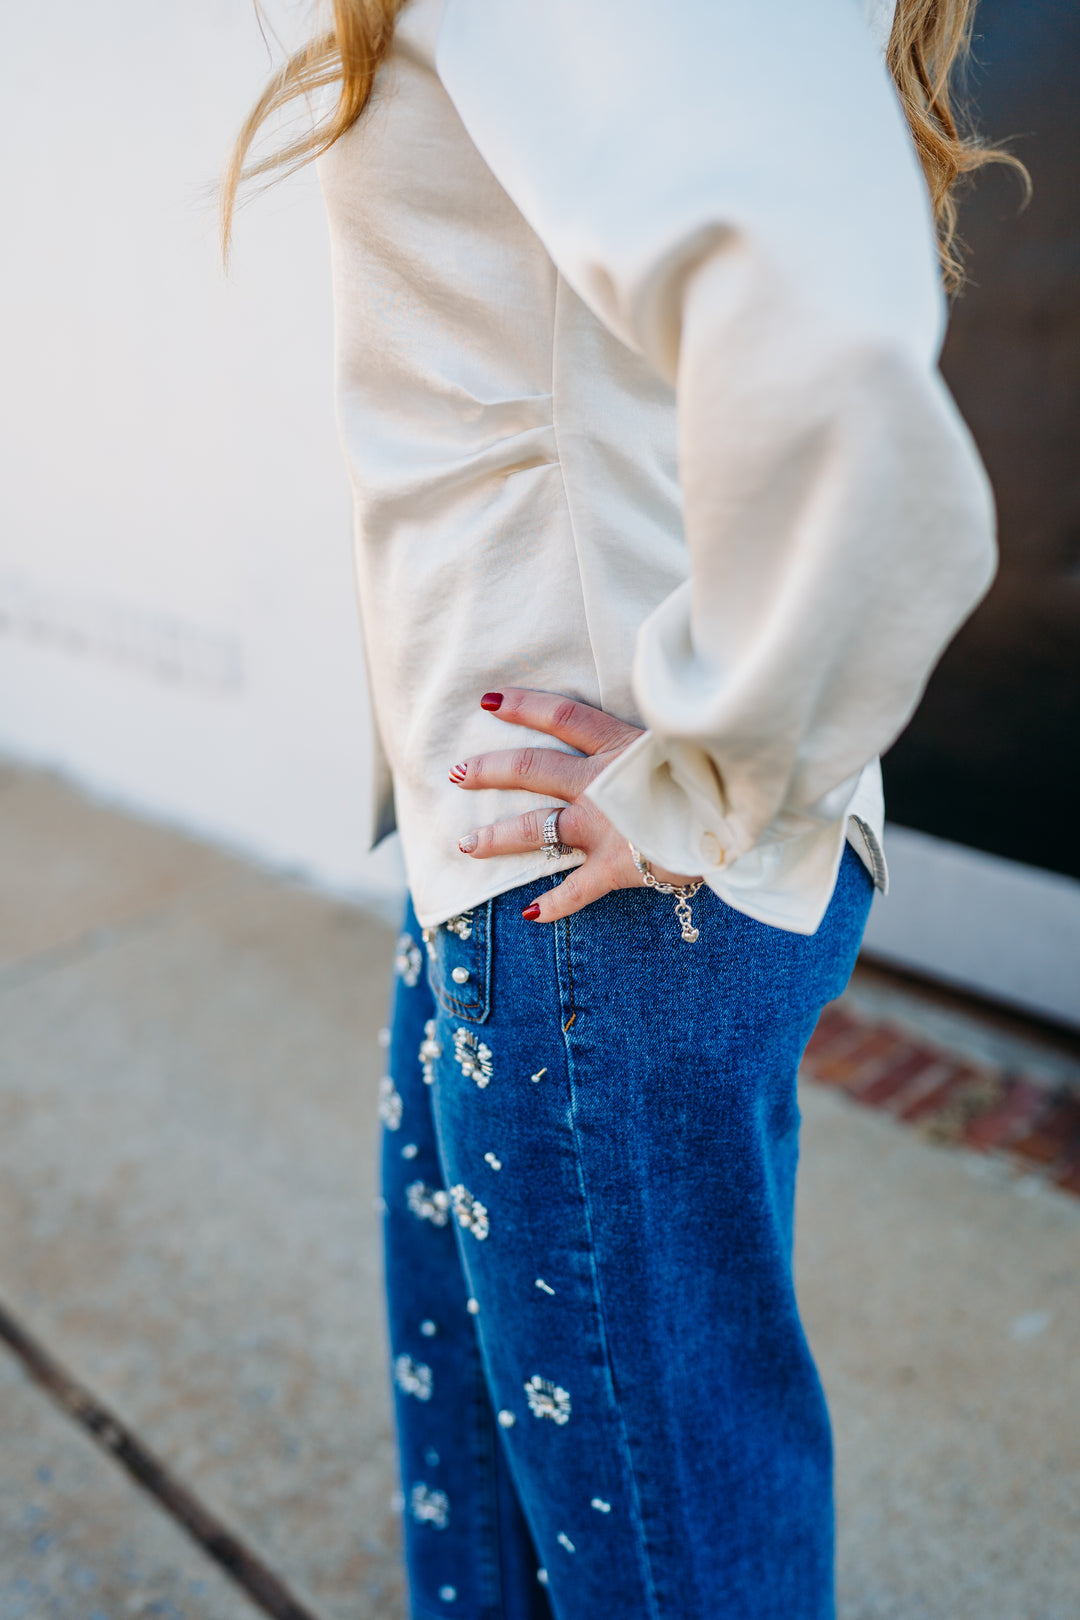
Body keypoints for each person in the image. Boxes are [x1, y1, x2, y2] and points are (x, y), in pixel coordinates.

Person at [224, 3, 1024, 1615]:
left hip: (595, 905)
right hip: (537, 878)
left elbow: (838, 371)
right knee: (506, 1505)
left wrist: (705, 778)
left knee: (664, 1570)